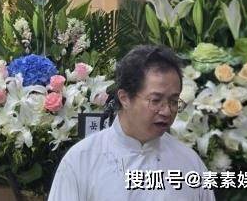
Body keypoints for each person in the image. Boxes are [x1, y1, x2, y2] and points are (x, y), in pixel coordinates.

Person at [48, 44, 215, 201]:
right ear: (125, 98)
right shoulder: (82, 160)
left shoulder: (190, 163)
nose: (166, 111)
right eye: (156, 100)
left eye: (173, 101)